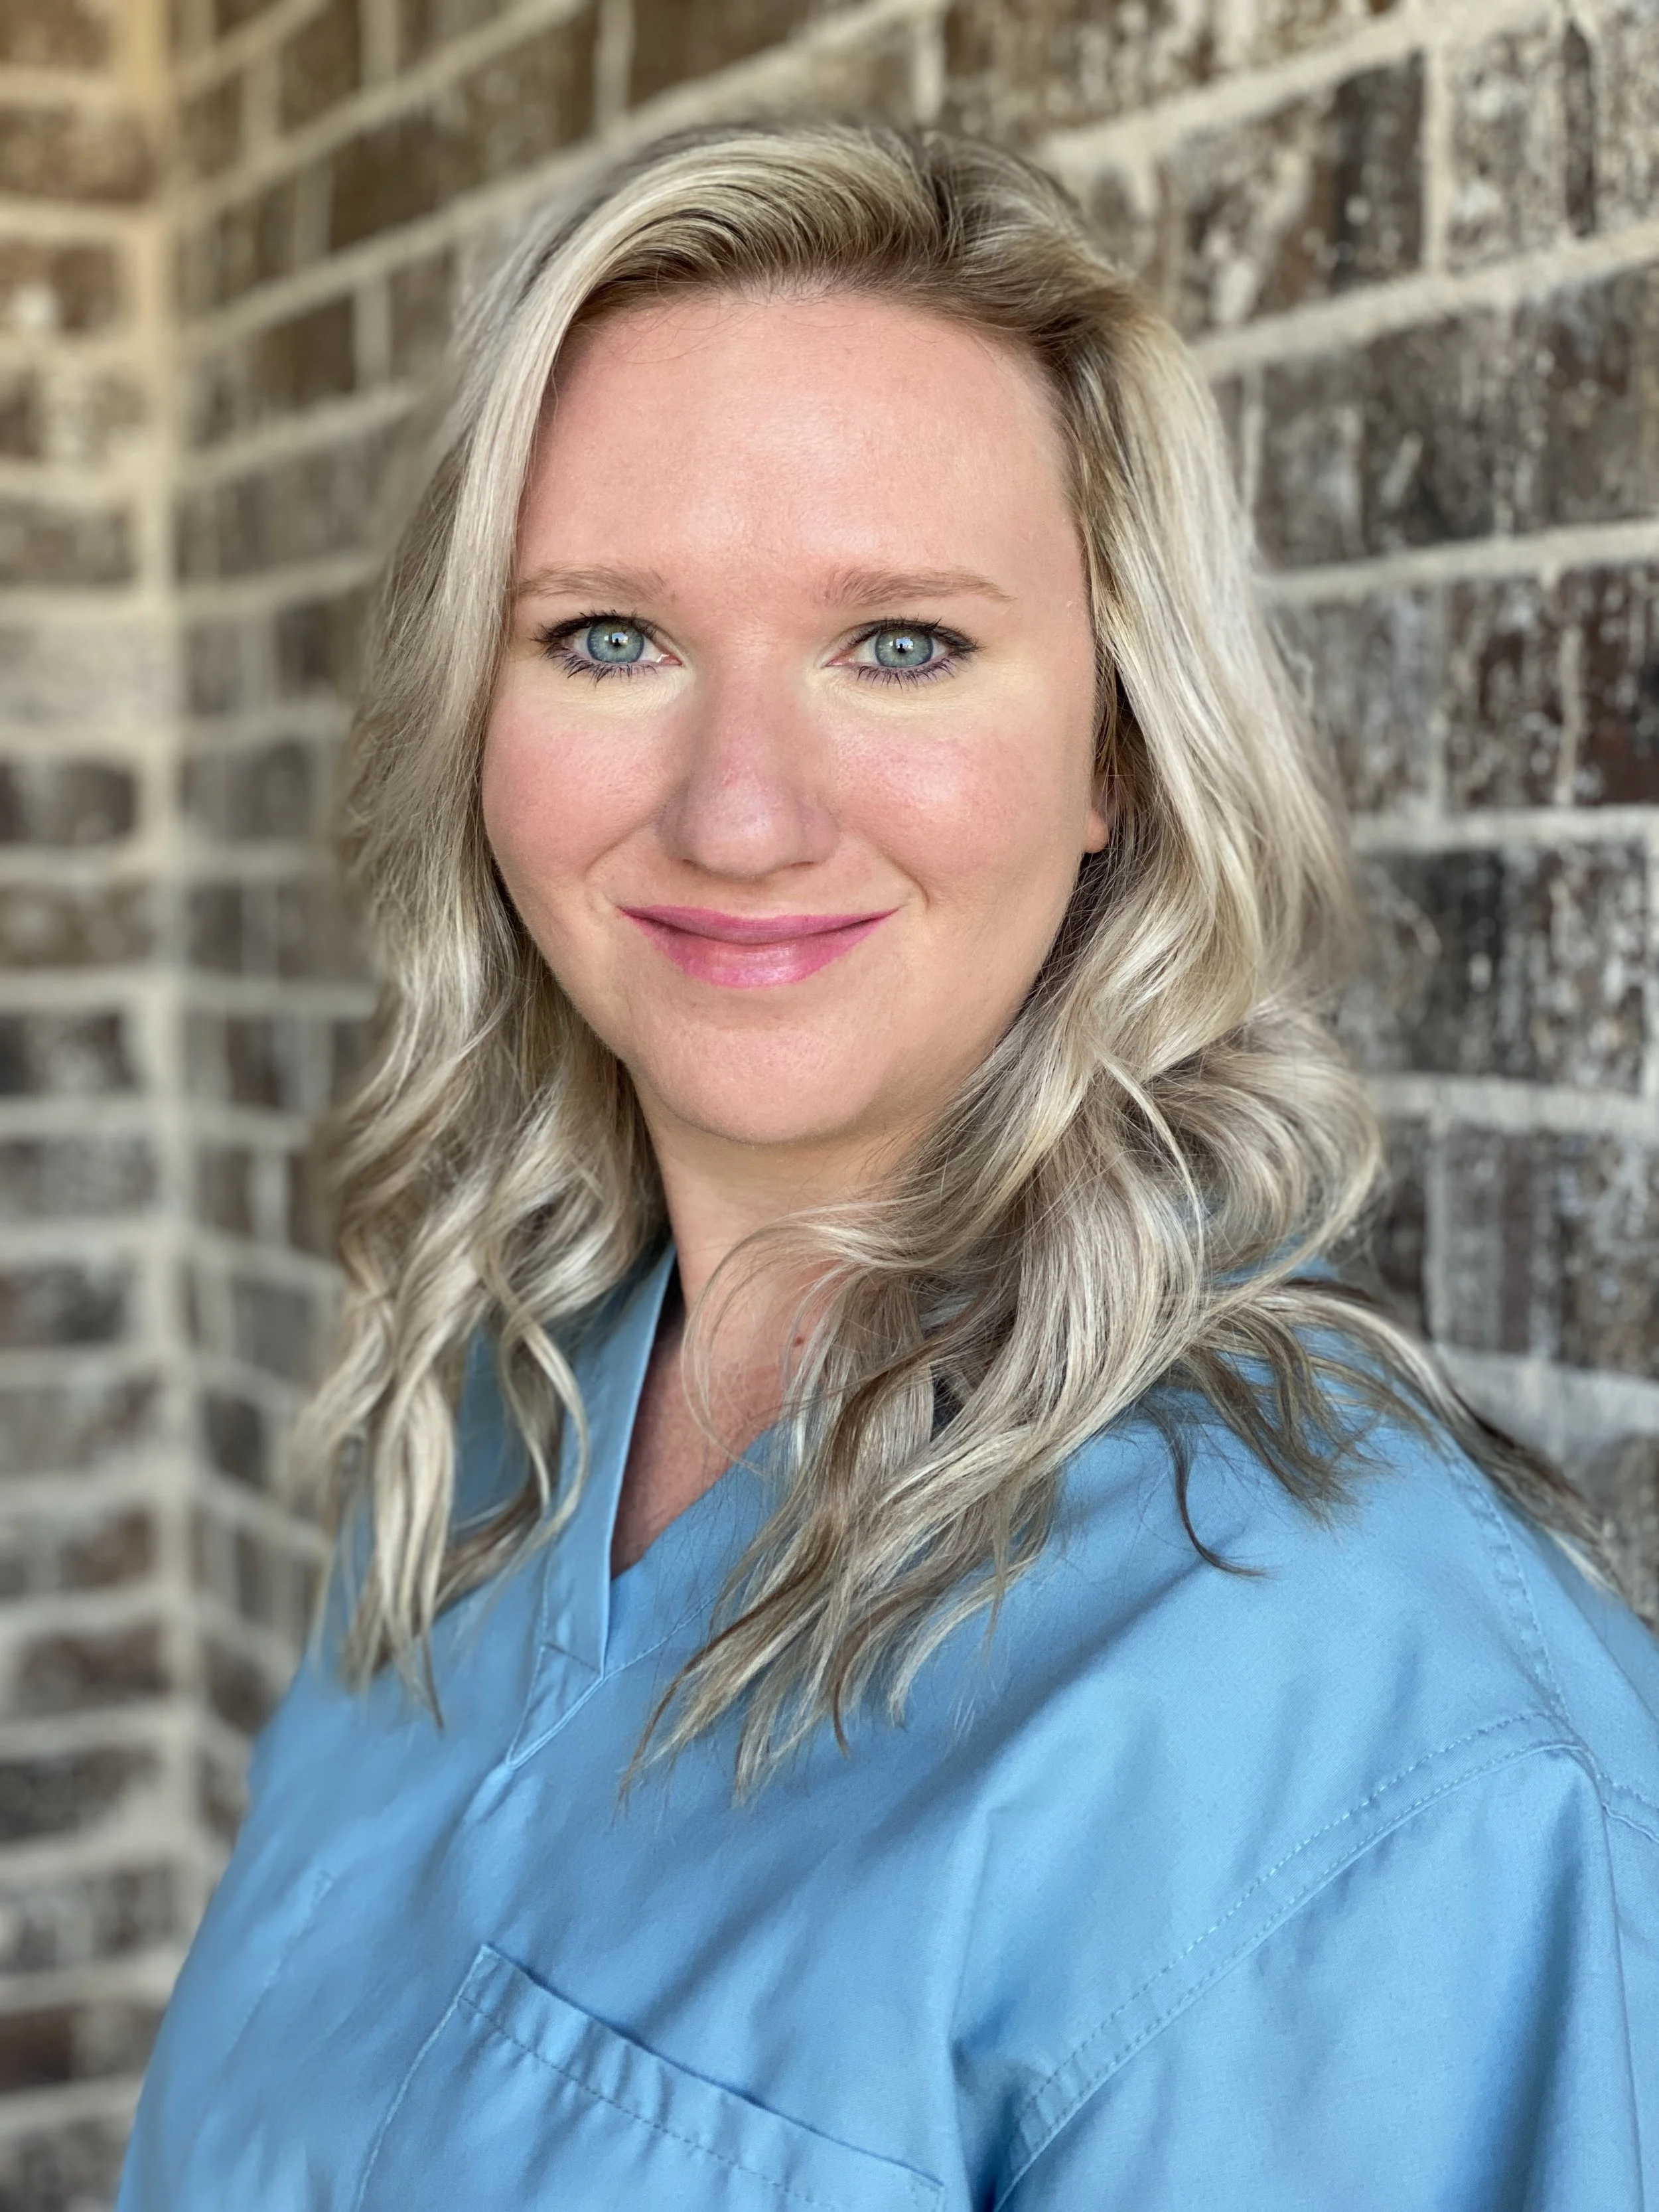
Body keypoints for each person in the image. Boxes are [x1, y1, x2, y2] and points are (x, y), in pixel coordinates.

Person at [119, 123, 1658, 2210]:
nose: (739, 814)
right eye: (604, 637)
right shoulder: (497, 1417)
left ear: (1115, 743)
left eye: (903, 644)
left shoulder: (1366, 1737)